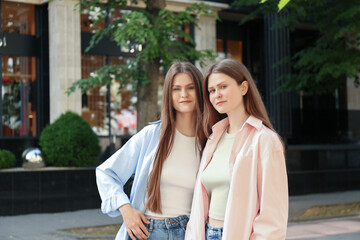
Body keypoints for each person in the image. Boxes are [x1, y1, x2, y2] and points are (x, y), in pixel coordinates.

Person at [96, 62, 206, 240]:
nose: (184, 94)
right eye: (176, 89)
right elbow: (106, 173)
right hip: (148, 231)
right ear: (168, 94)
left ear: (200, 91)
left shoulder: (210, 140)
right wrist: (125, 209)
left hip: (191, 233)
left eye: (190, 88)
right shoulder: (152, 135)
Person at [185, 59, 288, 240]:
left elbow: (272, 216)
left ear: (243, 88)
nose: (217, 94)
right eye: (211, 90)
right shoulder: (213, 138)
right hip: (207, 233)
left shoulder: (264, 140)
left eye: (223, 86)